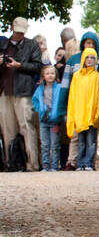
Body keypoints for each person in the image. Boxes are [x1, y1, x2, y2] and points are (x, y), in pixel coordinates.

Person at [1, 17, 43, 170]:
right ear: (12, 28)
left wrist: (19, 65)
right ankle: (10, 164)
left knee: (27, 126)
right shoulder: (2, 44)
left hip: (24, 91)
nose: (20, 34)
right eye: (17, 31)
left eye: (22, 32)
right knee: (7, 128)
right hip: (4, 91)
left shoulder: (32, 45)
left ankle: (32, 164)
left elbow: (38, 66)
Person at [66, 46, 99, 170]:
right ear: (83, 59)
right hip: (80, 115)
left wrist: (98, 111)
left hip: (92, 114)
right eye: (87, 57)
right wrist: (73, 114)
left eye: (93, 58)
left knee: (91, 141)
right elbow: (73, 95)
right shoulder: (76, 76)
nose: (90, 60)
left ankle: (89, 164)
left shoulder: (97, 76)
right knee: (81, 141)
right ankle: (80, 164)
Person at [33, 64, 64, 171]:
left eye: (52, 73)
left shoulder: (59, 88)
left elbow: (63, 102)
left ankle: (55, 166)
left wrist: (60, 114)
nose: (50, 75)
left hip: (55, 121)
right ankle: (46, 166)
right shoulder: (39, 89)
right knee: (45, 144)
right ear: (43, 76)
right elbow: (35, 100)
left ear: (56, 75)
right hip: (43, 120)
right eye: (47, 73)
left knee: (55, 145)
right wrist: (40, 110)